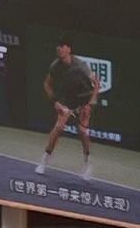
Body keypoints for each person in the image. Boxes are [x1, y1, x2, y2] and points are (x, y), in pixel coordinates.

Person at [38, 39, 108, 172]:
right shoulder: (55, 66)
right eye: (58, 46)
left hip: (84, 100)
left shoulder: (81, 67)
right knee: (58, 128)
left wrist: (90, 104)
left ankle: (87, 162)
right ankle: (45, 159)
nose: (59, 48)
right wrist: (55, 102)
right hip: (68, 100)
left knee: (82, 132)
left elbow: (97, 84)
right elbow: (47, 84)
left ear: (69, 49)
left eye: (62, 46)